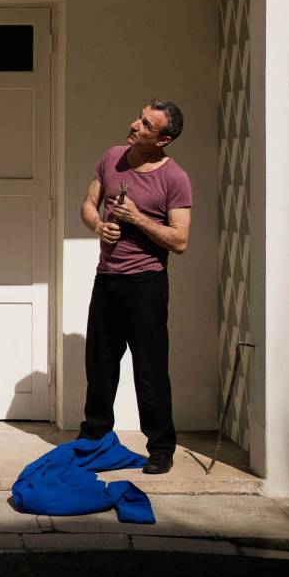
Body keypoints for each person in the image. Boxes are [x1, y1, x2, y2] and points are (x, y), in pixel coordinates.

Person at [77, 100, 192, 474]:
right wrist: (99, 225)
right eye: (139, 117)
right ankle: (93, 441)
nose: (134, 124)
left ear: (163, 139)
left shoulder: (174, 178)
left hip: (146, 284)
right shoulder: (112, 158)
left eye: (145, 124)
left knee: (150, 370)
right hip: (107, 279)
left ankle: (161, 449)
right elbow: (89, 204)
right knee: (100, 365)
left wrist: (138, 218)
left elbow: (180, 240)